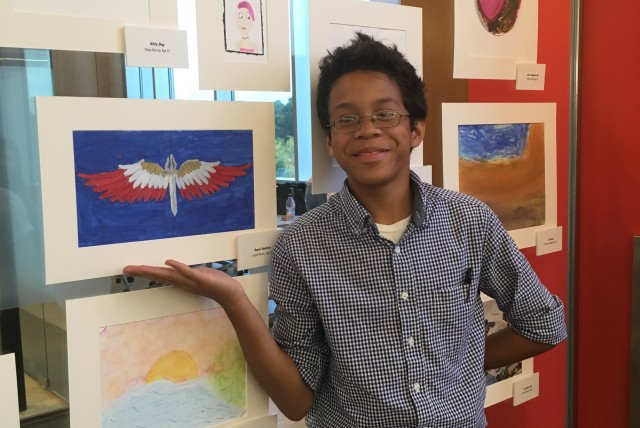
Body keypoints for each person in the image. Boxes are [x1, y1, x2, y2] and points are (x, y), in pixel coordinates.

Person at [124, 33, 567, 427]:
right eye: (347, 119)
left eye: (385, 114)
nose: (367, 130)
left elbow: (545, 324)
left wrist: (461, 363)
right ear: (330, 139)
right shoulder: (302, 246)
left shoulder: (469, 221)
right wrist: (234, 299)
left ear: (415, 128)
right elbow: (296, 402)